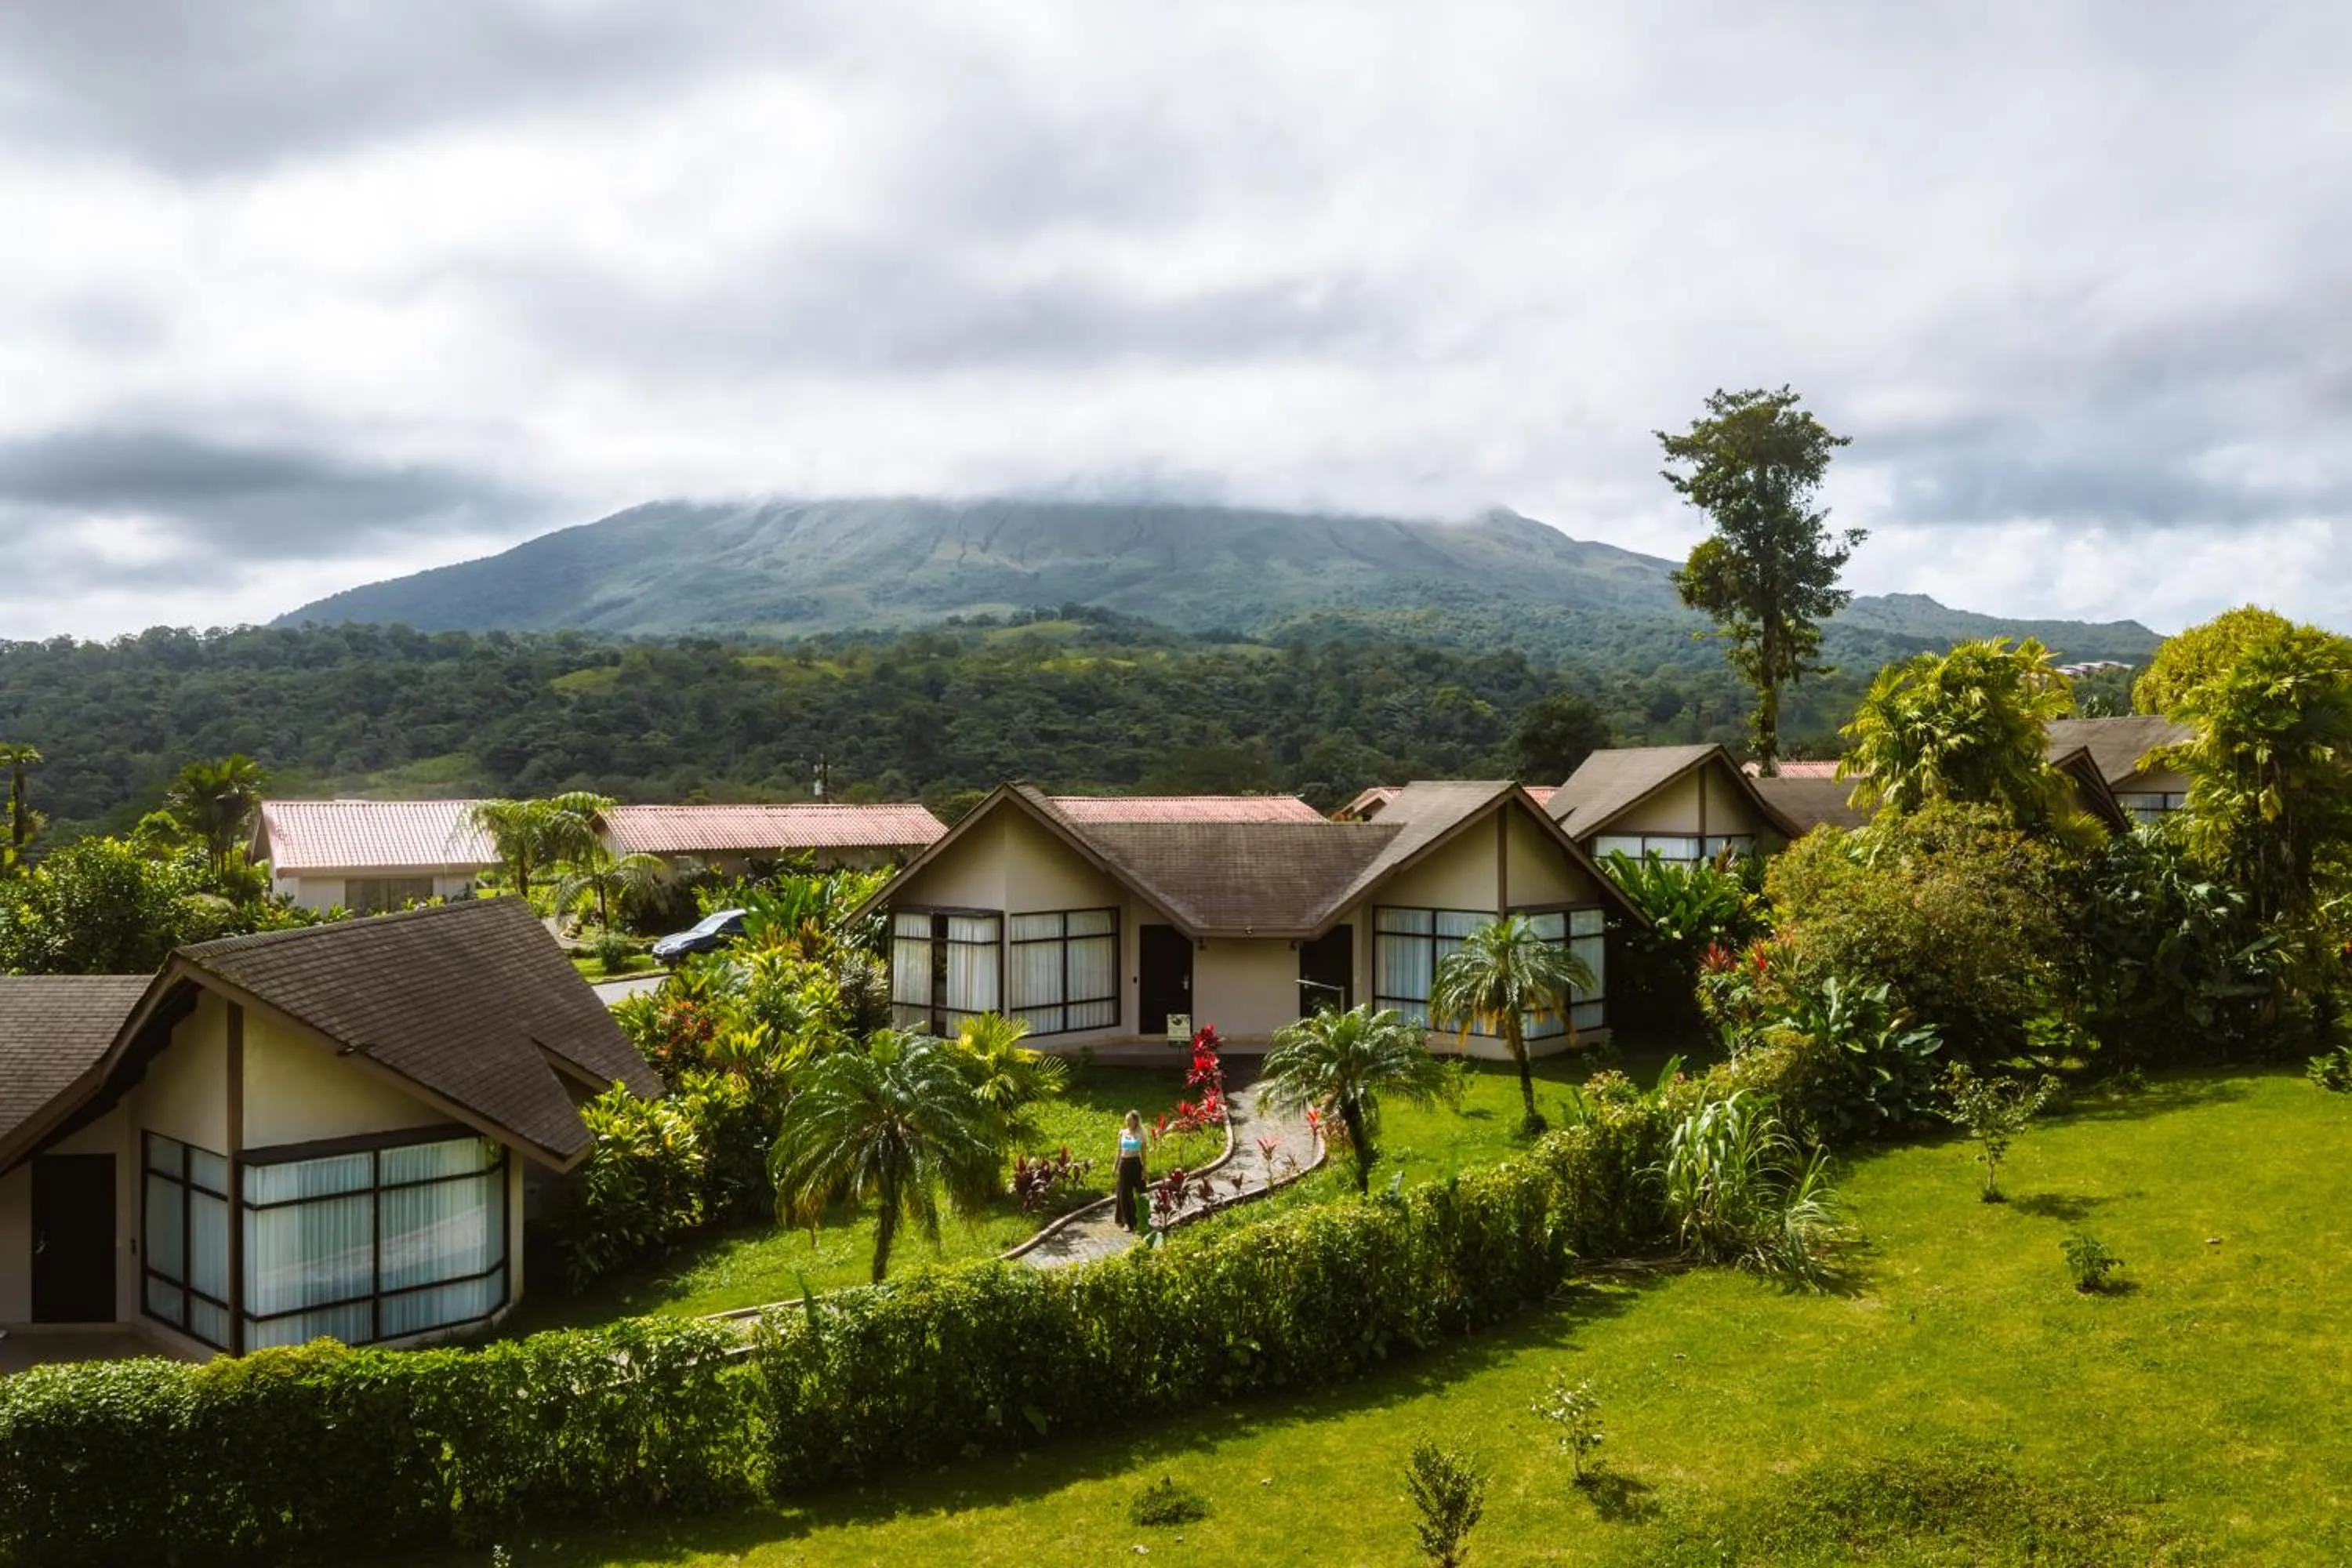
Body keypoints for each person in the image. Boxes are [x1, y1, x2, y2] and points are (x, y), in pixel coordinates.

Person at [1113, 1109, 1147, 1232]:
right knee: (1124, 1193)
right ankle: (1128, 1222)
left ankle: (1143, 1219)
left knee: (1141, 1191)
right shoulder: (1122, 1133)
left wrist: (1145, 1168)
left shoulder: (1141, 1134)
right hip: (1124, 1164)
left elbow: (1143, 1153)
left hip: (1136, 1163)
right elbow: (1118, 1151)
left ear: (1136, 1121)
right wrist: (1115, 1166)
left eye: (1130, 1120)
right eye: (1126, 1120)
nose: (1127, 1122)